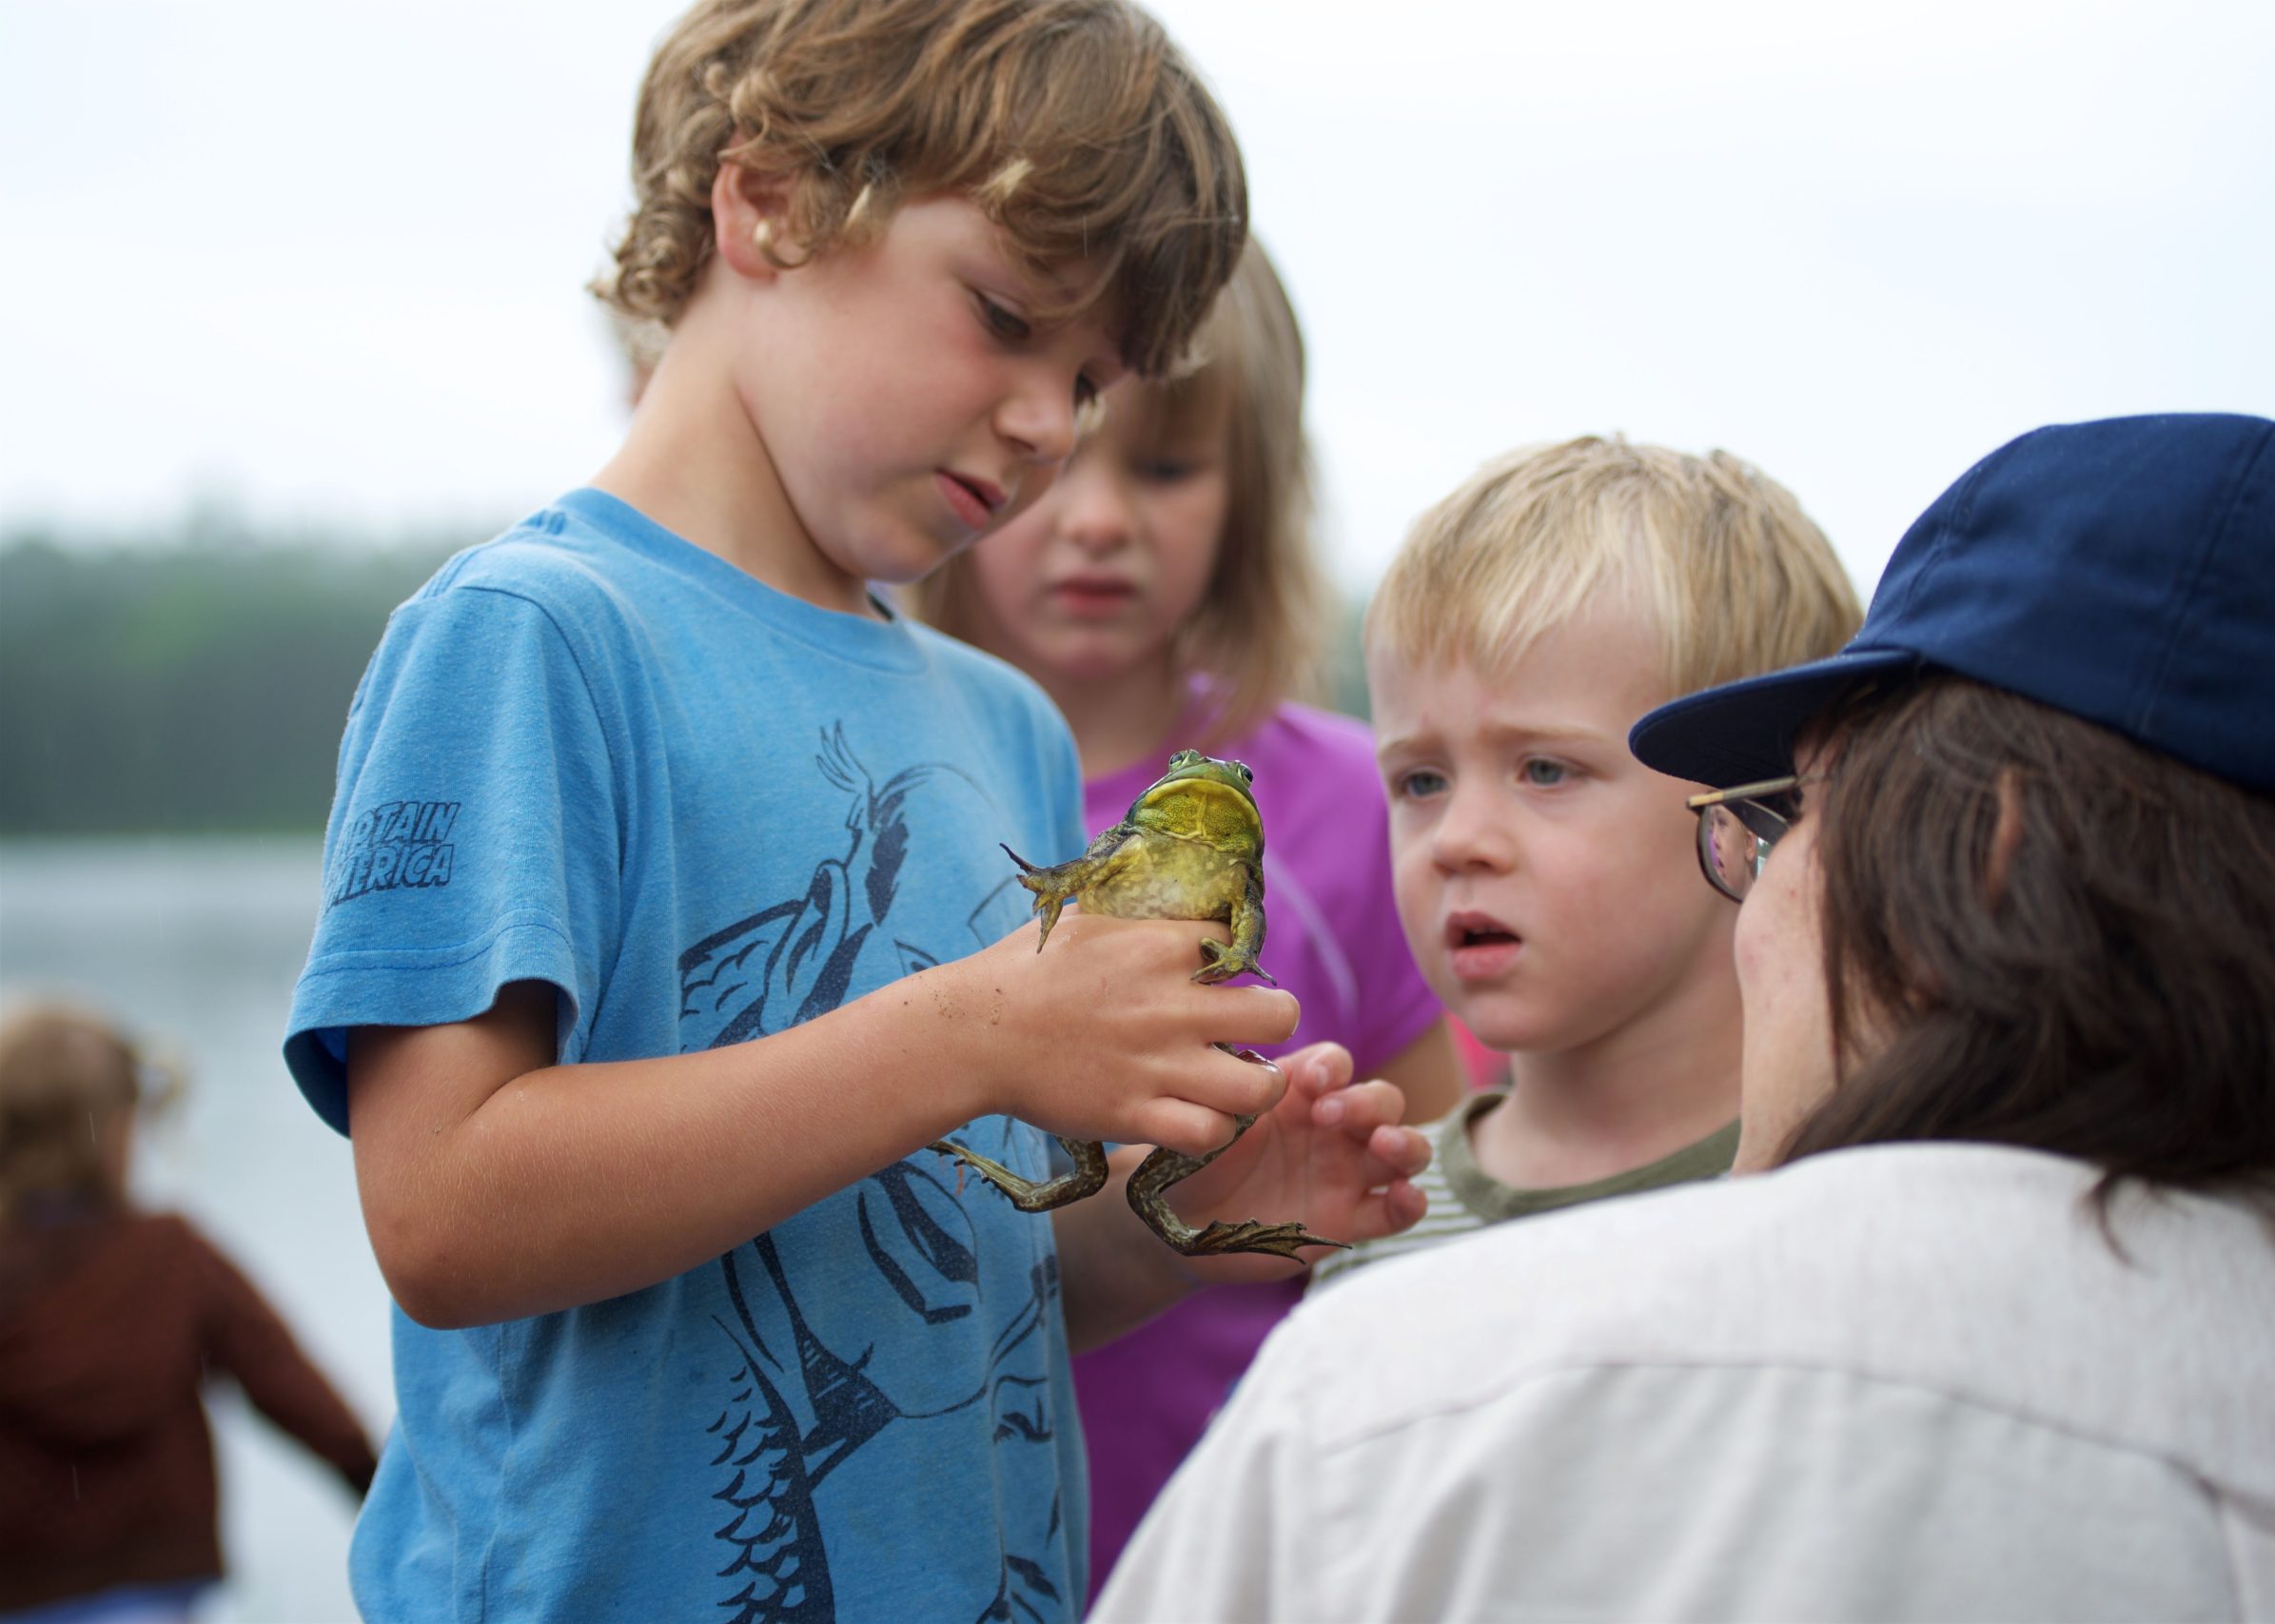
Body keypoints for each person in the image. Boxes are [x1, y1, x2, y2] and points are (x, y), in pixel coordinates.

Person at [280, 4, 1431, 1618]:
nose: (1049, 422)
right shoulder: (537, 640)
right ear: (771, 208)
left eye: (1093, 378)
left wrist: (1185, 1222)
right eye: (1005, 316)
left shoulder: (1009, 729)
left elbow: (986, 1288)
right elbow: (444, 1211)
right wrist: (972, 1034)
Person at [1092, 413, 2275, 1621]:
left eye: (1803, 811)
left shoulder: (1384, 1388)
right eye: (1420, 778)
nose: (1460, 839)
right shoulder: (1379, 1195)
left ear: (1992, 851)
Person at [913, 234, 1463, 1590]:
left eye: (1164, 466)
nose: (1099, 517)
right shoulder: (885, 794)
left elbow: (1435, 1198)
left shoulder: (1362, 802)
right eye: (1060, 457)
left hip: (1268, 1555)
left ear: (1255, 490)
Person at [1307, 436, 1861, 1292]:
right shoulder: (1378, 1228)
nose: (1458, 838)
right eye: (1421, 779)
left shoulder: (1865, 1189)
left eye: (1546, 770)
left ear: (1750, 798)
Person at [0, 1001, 377, 1623]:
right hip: (158, 1587)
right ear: (118, 1131)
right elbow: (296, 1394)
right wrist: (382, 1489)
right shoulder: (172, 1257)